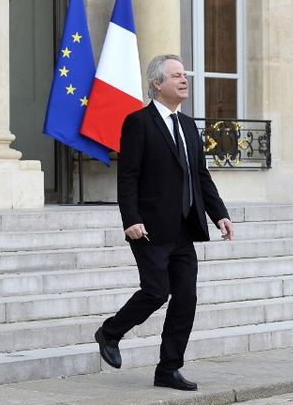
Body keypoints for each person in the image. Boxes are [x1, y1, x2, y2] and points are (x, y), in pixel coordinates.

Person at [95, 54, 235, 391]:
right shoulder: (138, 122)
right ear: (157, 84)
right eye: (175, 75)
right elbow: (128, 176)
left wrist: (220, 214)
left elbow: (200, 176)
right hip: (150, 228)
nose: (184, 79)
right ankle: (110, 332)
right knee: (156, 291)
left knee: (186, 298)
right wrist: (131, 219)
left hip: (185, 228)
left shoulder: (187, 125)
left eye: (184, 74)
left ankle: (168, 369)